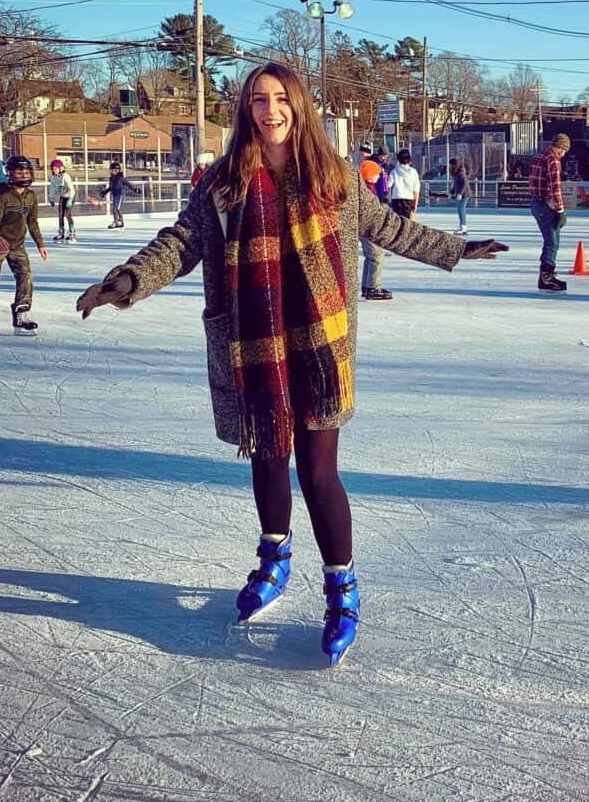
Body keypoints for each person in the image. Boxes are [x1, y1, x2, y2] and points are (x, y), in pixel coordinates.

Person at [75, 62, 508, 666]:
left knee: (318, 471)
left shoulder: (332, 177)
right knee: (267, 454)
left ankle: (341, 590)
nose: (270, 109)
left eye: (281, 99)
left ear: (299, 106)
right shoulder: (222, 183)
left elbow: (388, 227)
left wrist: (456, 248)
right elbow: (180, 243)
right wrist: (124, 281)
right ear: (245, 110)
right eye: (258, 99)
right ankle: (274, 559)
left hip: (320, 346)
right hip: (253, 347)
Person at [0, 155, 48, 334]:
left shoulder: (31, 197)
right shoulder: (3, 195)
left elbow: (33, 222)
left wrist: (40, 244)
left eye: (26, 172)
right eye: (19, 172)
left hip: (17, 246)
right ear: (10, 174)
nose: (24, 175)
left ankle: (21, 314)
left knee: (25, 276)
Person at [529, 133, 570, 292]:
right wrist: (560, 210)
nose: (564, 154)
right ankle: (546, 278)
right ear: (561, 148)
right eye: (565, 150)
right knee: (552, 242)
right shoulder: (553, 160)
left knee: (553, 241)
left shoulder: (538, 157)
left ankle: (547, 275)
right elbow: (555, 187)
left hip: (536, 203)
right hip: (546, 205)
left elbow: (533, 182)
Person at [356, 144, 392, 301]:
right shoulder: (366, 191)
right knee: (377, 255)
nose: (378, 177)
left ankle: (368, 286)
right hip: (368, 227)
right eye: (376, 174)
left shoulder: (367, 188)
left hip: (367, 226)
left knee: (372, 256)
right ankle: (373, 288)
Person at [99, 161, 141, 228]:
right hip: (115, 195)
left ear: (117, 170)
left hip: (120, 194)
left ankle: (120, 222)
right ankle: (116, 222)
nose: (112, 171)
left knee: (117, 209)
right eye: (111, 170)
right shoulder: (112, 178)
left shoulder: (120, 178)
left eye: (113, 170)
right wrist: (105, 192)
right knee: (114, 209)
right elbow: (111, 187)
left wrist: (135, 189)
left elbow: (128, 184)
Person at [48, 158, 77, 243]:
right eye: (53, 169)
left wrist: (70, 199)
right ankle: (61, 232)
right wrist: (51, 197)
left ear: (61, 168)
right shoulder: (53, 177)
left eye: (56, 168)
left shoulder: (65, 177)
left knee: (67, 214)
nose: (54, 170)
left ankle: (72, 232)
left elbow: (72, 189)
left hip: (70, 196)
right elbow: (52, 188)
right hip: (62, 197)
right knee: (60, 214)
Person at [388, 148, 420, 219]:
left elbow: (388, 184)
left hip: (396, 198)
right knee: (407, 222)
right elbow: (416, 190)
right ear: (409, 159)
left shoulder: (394, 171)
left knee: (397, 221)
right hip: (408, 199)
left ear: (398, 160)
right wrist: (415, 204)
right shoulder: (413, 172)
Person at [449, 157, 470, 234]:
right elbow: (455, 184)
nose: (449, 166)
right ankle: (462, 226)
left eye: (450, 164)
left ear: (454, 164)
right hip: (460, 193)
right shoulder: (455, 172)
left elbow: (464, 183)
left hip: (465, 193)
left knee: (461, 209)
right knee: (460, 209)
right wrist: (451, 192)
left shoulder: (461, 172)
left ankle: (463, 227)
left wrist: (460, 194)